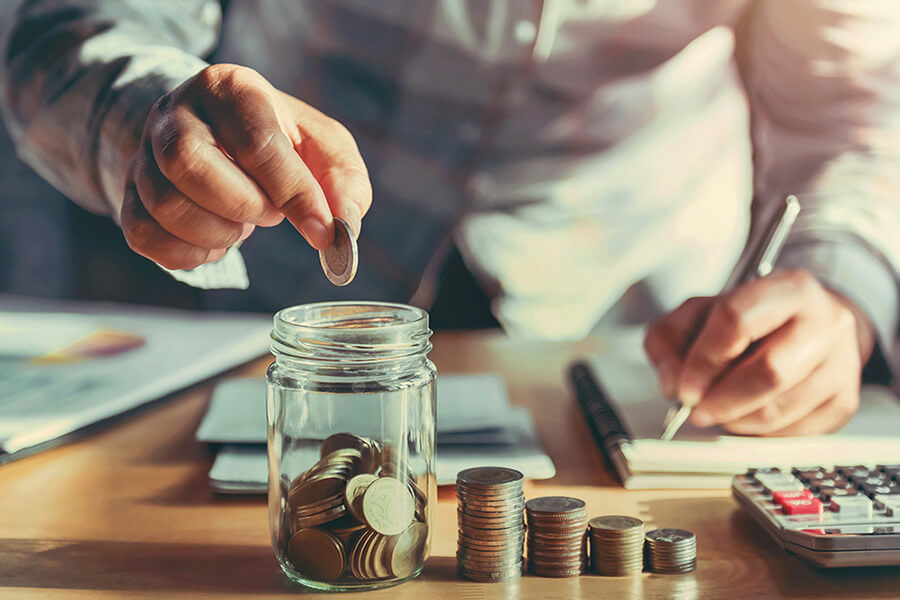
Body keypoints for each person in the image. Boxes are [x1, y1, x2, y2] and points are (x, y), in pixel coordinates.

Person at [2, 1, 898, 437]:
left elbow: (852, 105)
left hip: (632, 333)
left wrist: (840, 283)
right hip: (268, 301)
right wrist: (146, 123)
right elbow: (62, 28)